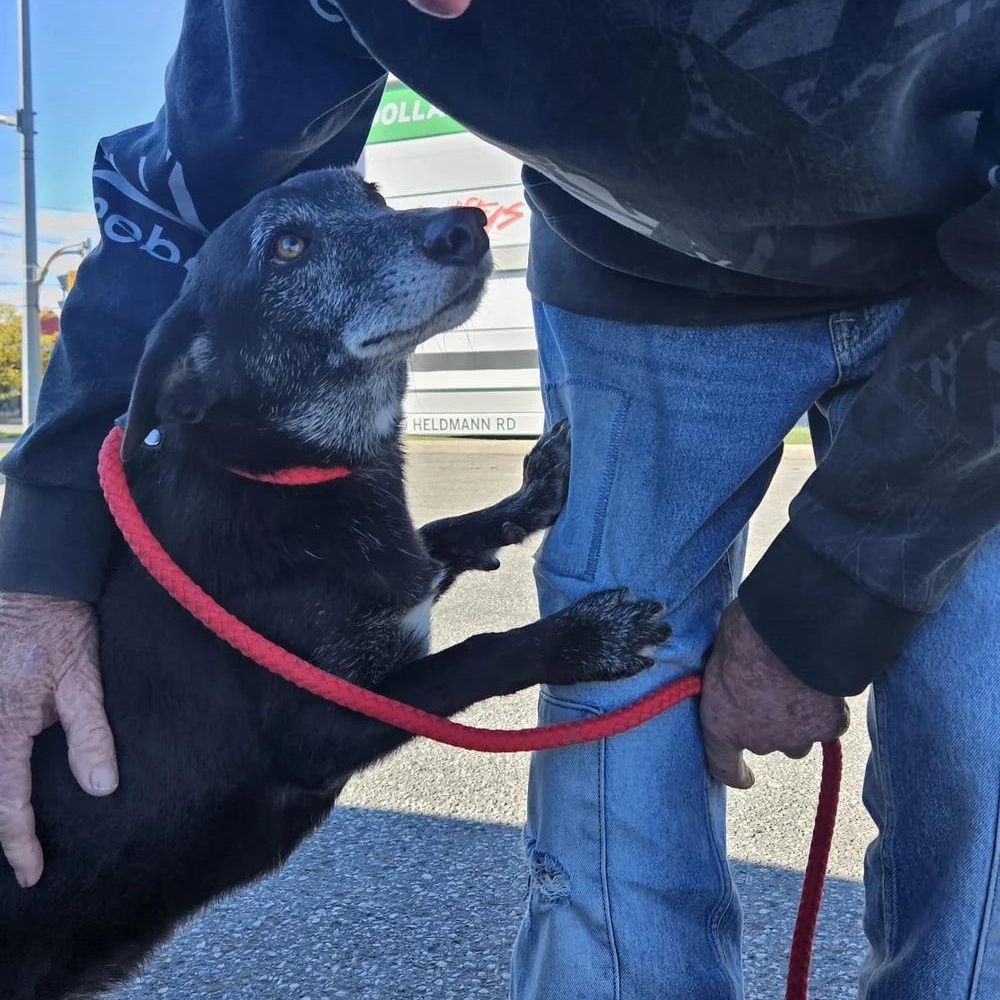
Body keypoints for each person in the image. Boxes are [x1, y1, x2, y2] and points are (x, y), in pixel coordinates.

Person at [1, 1, 997, 996]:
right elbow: (180, 215)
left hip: (967, 248)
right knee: (618, 744)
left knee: (976, 739)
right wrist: (40, 568)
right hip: (641, 283)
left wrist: (819, 608)